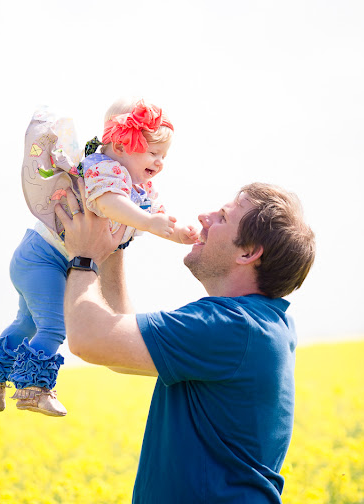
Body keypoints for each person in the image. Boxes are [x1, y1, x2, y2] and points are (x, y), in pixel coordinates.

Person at [54, 181, 316, 503]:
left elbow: (88, 340)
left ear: (248, 253)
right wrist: (115, 242)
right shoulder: (258, 324)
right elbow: (117, 353)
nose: (204, 217)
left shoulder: (232, 327)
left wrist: (84, 256)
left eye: (222, 217)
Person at [0, 99, 199, 418]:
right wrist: (148, 222)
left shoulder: (138, 189)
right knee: (54, 324)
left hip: (43, 259)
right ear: (120, 144)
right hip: (43, 258)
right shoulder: (104, 168)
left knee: (28, 322)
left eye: (163, 156)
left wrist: (178, 233)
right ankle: (33, 388)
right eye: (152, 152)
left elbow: (153, 215)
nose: (159, 162)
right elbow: (108, 204)